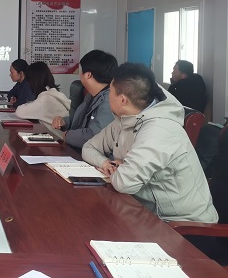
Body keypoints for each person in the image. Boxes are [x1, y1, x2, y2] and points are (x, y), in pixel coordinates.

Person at [82, 63, 218, 223]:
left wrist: (121, 168)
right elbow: (89, 147)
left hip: (182, 224)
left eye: (110, 92)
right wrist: (106, 163)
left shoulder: (159, 130)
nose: (107, 96)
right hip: (144, 212)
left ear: (122, 100)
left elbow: (124, 183)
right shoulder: (124, 120)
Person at [52, 50, 117, 148]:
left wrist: (68, 136)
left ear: (88, 75)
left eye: (81, 70)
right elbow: (79, 121)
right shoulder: (90, 95)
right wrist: (64, 122)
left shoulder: (109, 101)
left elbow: (95, 136)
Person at [15, 62, 71, 129]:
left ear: (33, 81)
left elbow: (19, 111)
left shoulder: (46, 99)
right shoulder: (55, 93)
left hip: (55, 135)